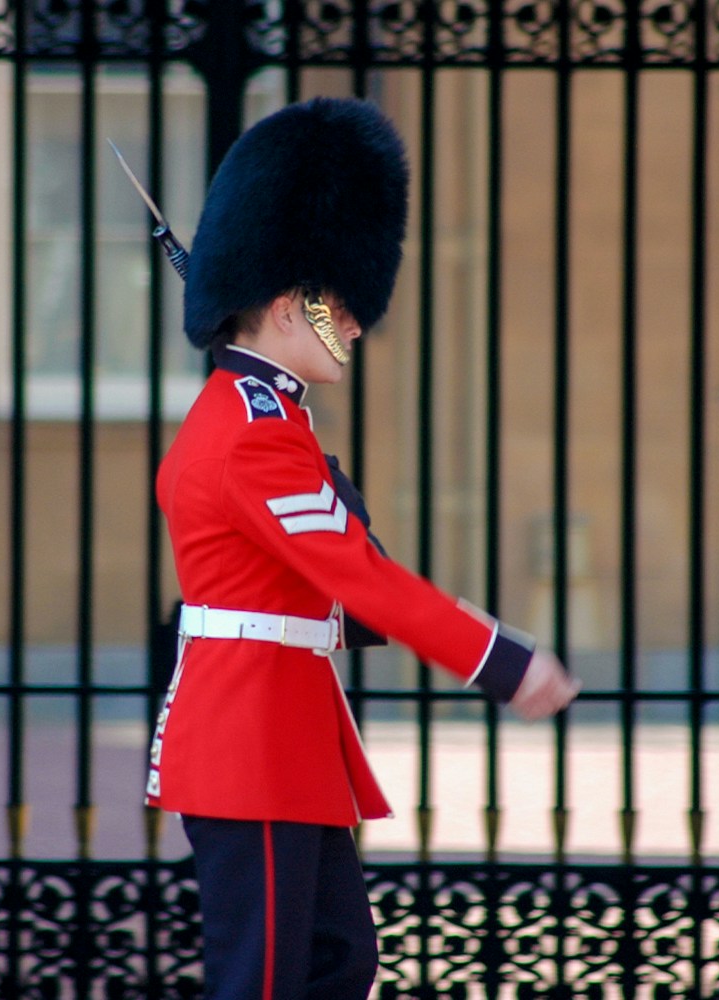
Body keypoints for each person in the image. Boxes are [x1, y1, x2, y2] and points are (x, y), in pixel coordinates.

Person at [146, 96, 579, 1000]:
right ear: (279, 303)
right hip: (250, 744)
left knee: (337, 964)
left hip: (286, 735)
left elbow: (335, 576)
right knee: (265, 980)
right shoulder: (250, 433)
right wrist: (500, 660)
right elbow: (360, 576)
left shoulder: (269, 422)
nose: (352, 324)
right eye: (332, 303)